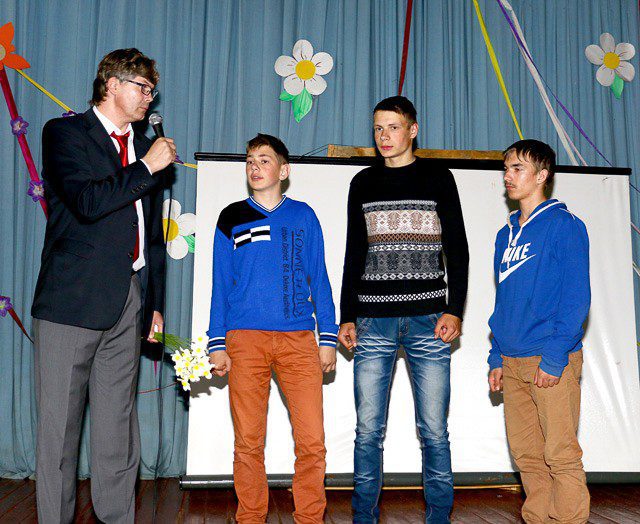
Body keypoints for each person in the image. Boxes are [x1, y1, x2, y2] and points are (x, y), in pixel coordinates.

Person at [31, 48, 176, 523]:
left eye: (152, 90)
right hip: (71, 302)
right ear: (112, 84)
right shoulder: (66, 133)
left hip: (128, 299)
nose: (149, 98)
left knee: (118, 431)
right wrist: (147, 167)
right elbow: (88, 202)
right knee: (59, 432)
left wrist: (153, 304)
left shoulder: (144, 146)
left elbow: (152, 236)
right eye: (142, 87)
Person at [338, 96, 469, 523]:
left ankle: (439, 518)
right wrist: (347, 316)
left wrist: (455, 309)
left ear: (412, 130)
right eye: (378, 128)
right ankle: (364, 517)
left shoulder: (438, 178)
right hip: (372, 321)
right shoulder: (362, 183)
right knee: (367, 432)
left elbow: (458, 248)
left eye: (393, 127)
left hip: (430, 321)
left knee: (434, 432)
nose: (384, 136)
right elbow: (354, 253)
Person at [207, 133, 338, 523]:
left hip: (298, 340)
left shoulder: (304, 216)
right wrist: (217, 342)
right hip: (244, 340)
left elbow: (320, 278)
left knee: (312, 441)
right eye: (250, 160)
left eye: (264, 160)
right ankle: (250, 516)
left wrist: (328, 336)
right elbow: (220, 284)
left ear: (283, 170)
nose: (255, 167)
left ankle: (310, 517)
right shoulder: (231, 217)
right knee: (248, 442)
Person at [488, 140, 590, 523]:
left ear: (542, 175)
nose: (508, 176)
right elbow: (504, 301)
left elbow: (576, 298)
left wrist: (554, 357)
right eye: (506, 168)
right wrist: (496, 356)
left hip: (549, 359)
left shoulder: (565, 226)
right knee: (527, 456)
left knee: (560, 453)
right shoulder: (505, 234)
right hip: (512, 361)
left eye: (518, 168)